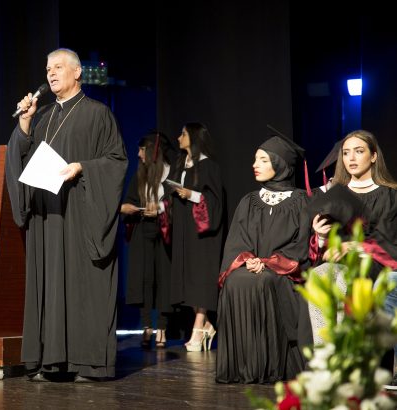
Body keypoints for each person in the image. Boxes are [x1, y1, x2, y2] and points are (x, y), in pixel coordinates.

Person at [5, 48, 128, 382]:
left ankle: (87, 363)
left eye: (58, 67)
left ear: (77, 73)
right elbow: (20, 157)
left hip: (79, 214)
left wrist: (82, 167)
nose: (51, 73)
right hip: (47, 218)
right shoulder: (42, 115)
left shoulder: (98, 114)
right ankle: (51, 362)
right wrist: (25, 123)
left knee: (80, 286)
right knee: (50, 286)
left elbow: (116, 162)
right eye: (48, 68)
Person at [215, 133, 312, 384]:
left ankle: (269, 367)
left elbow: (301, 245)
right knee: (235, 280)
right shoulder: (249, 201)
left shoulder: (300, 201)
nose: (254, 165)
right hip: (252, 265)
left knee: (264, 281)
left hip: (285, 273)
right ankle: (242, 366)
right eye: (255, 159)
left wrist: (268, 263)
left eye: (263, 160)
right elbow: (236, 241)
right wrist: (248, 259)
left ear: (280, 164)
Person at [307, 130, 397, 386]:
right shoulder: (335, 195)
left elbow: (390, 242)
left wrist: (356, 247)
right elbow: (320, 251)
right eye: (346, 153)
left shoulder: (390, 195)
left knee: (346, 280)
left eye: (359, 151)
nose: (351, 158)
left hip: (375, 264)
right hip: (339, 263)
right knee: (318, 276)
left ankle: (349, 363)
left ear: (374, 156)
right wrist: (320, 236)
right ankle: (327, 361)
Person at [167, 122, 225, 352]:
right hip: (183, 230)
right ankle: (207, 325)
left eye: (182, 133)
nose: (178, 137)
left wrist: (191, 194)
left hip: (202, 234)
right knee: (187, 278)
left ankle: (199, 327)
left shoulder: (209, 166)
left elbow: (216, 202)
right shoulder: (180, 164)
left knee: (200, 278)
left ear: (193, 137)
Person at [120, 132, 174, 349]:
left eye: (142, 149)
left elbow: (175, 203)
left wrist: (160, 208)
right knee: (145, 278)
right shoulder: (140, 175)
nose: (138, 154)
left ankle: (162, 327)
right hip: (143, 229)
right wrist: (126, 208)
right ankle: (146, 326)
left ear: (152, 150)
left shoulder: (170, 173)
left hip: (165, 231)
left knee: (163, 278)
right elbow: (128, 201)